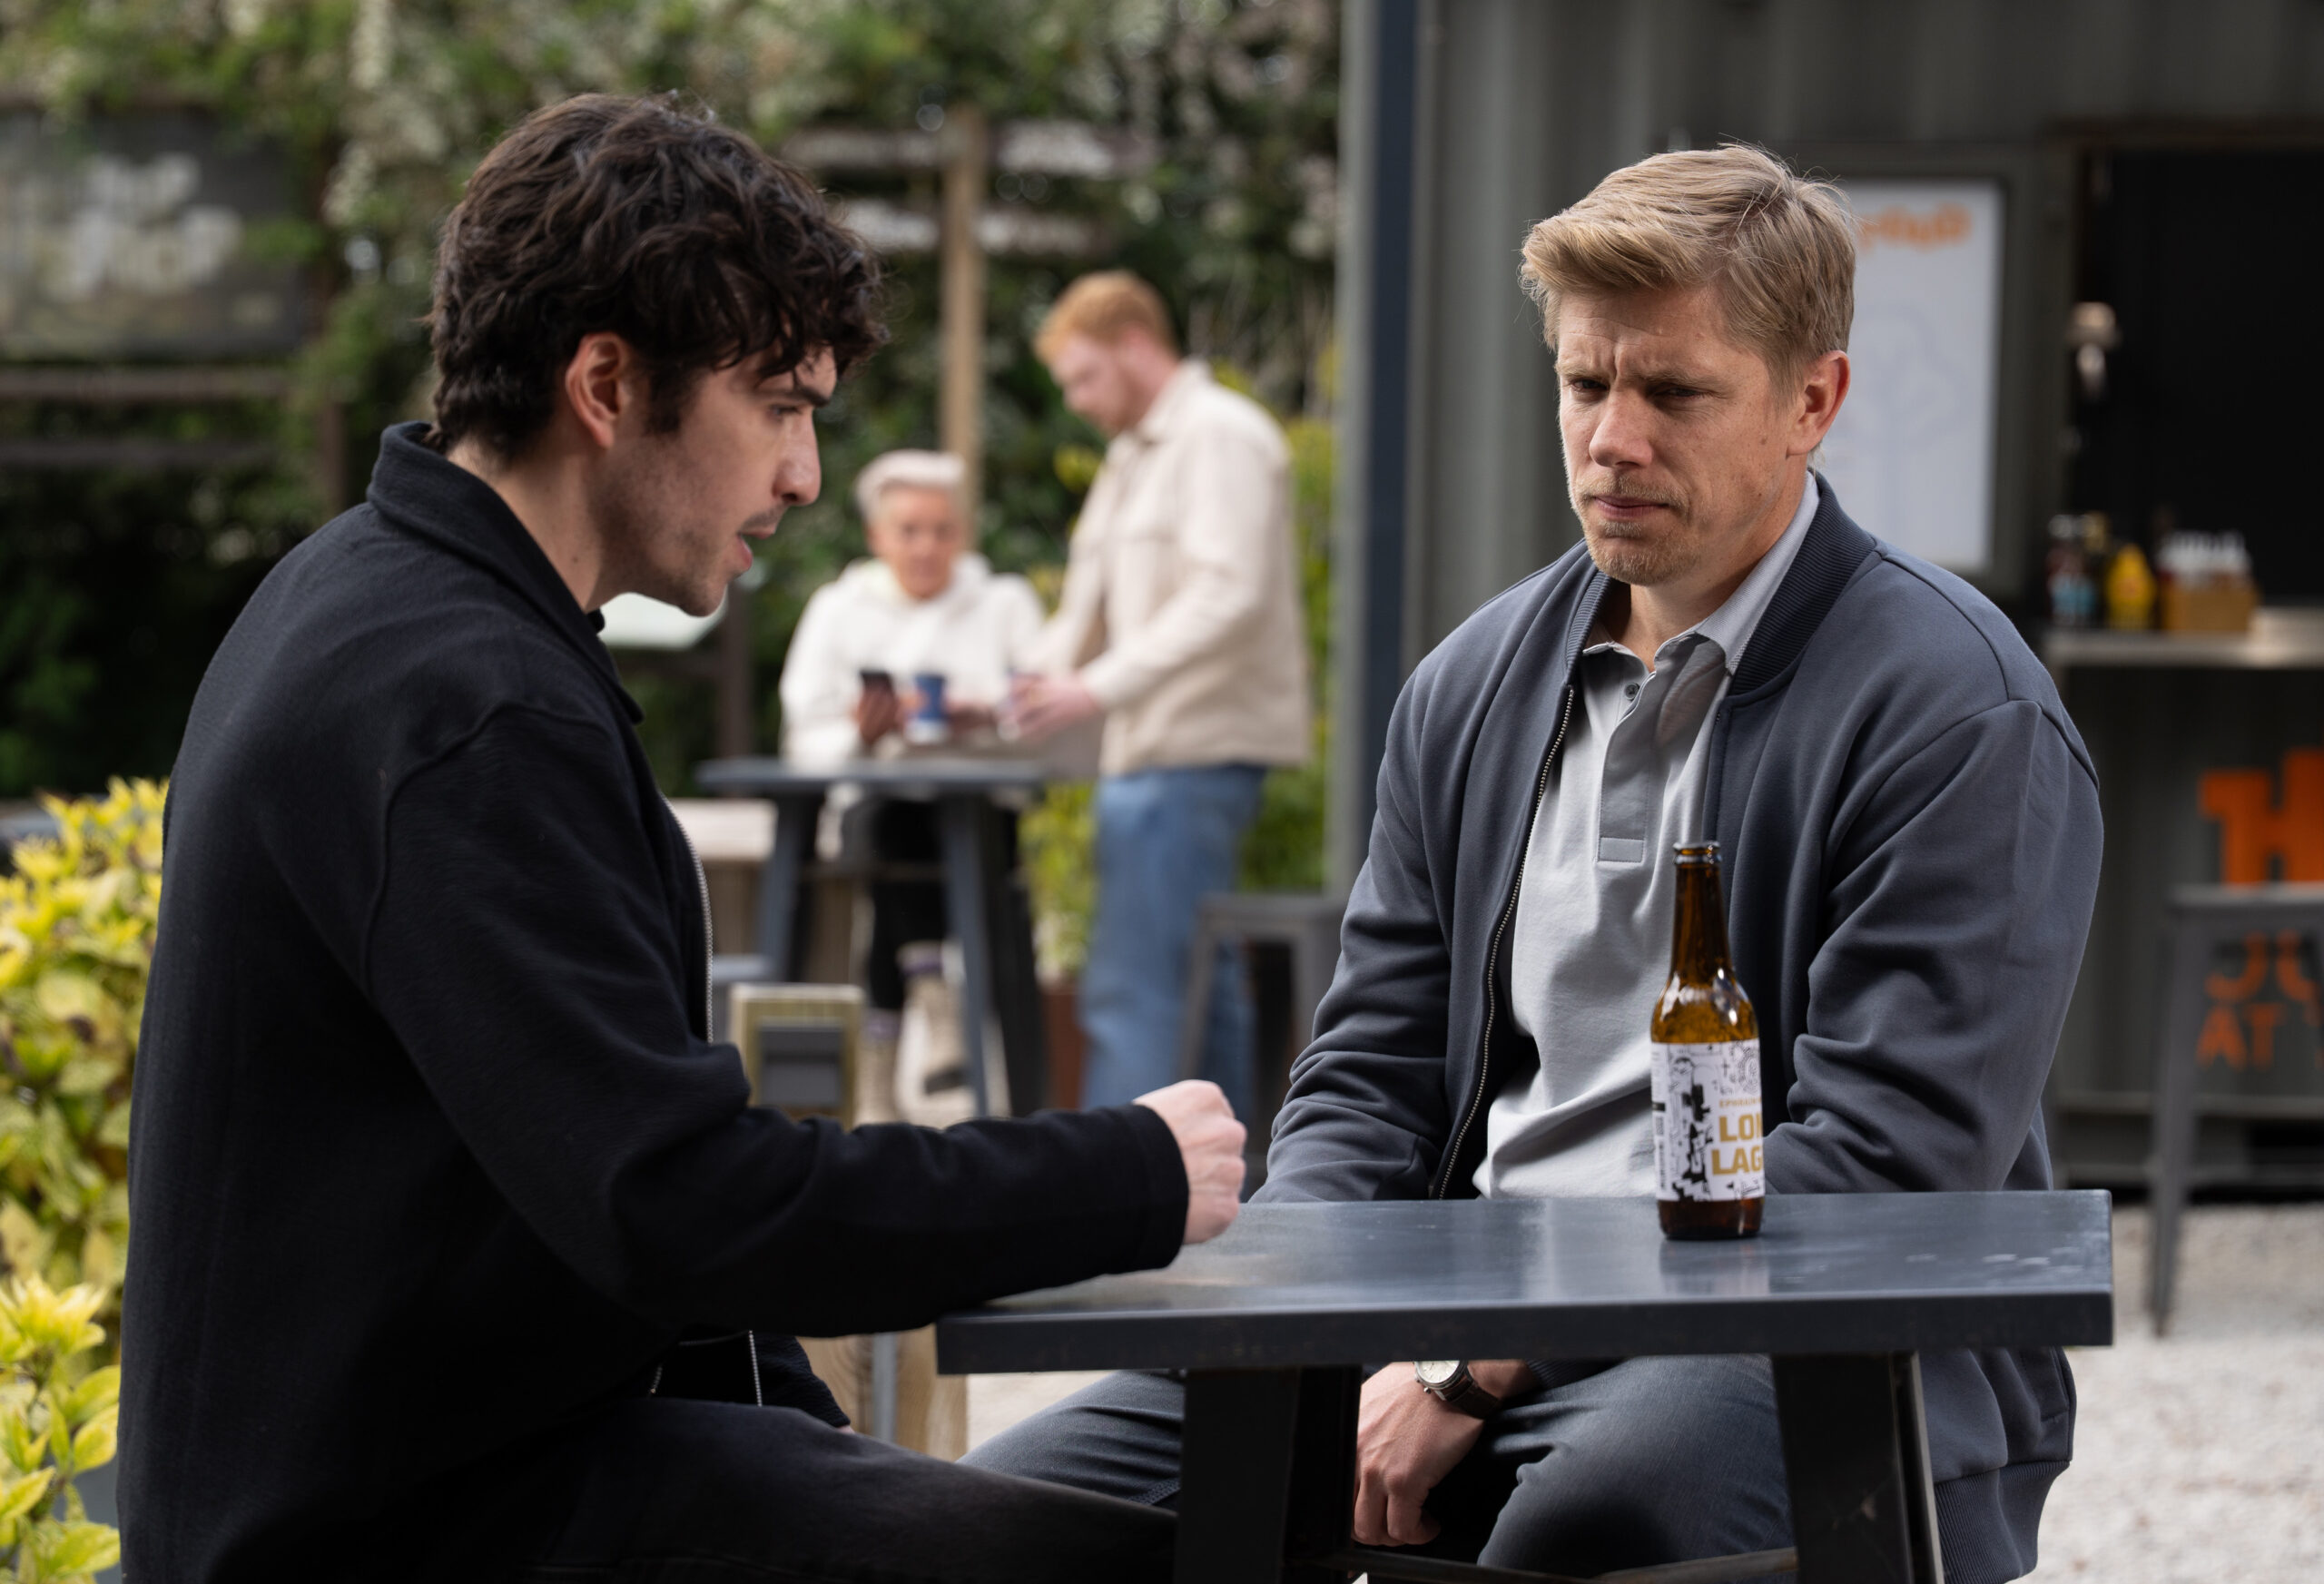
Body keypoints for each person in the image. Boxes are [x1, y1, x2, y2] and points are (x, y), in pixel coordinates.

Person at [121, 93, 1248, 1584]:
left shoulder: (366, 598)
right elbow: (677, 1205)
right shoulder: (463, 701)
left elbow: (634, 1211)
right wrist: (1123, 1171)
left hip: (466, 1467)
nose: (804, 476)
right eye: (779, 406)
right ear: (607, 382)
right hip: (418, 1529)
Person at [968, 145, 2102, 1584]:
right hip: (1454, 1326)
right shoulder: (1473, 685)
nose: (1612, 438)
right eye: (1583, 384)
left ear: (1814, 399)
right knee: (1000, 1519)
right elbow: (1368, 1078)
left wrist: (1474, 1367)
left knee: (1583, 1535)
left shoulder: (1958, 710)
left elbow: (1879, 1164)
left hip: (1794, 1334)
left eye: (1673, 393)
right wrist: (1304, 1327)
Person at [1010, 271, 1311, 1117]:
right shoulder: (1132, 455)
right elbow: (1083, 616)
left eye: (1084, 377)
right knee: (1196, 991)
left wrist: (1093, 690)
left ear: (1136, 346)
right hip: (1148, 752)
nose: (1076, 401)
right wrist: (1004, 695)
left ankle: (1114, 1198)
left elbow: (1229, 592)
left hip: (1193, 750)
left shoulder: (1221, 436)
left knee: (1132, 987)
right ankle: (1227, 1206)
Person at [778, 448, 1047, 1122]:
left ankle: (878, 1073)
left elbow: (1044, 710)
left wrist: (982, 718)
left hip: (979, 819)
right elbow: (802, 730)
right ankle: (933, 1002)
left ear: (963, 532)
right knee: (897, 815)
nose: (927, 546)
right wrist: (862, 734)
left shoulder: (1005, 603)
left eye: (942, 529)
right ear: (877, 536)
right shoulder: (838, 609)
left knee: (924, 825)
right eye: (910, 530)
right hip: (872, 816)